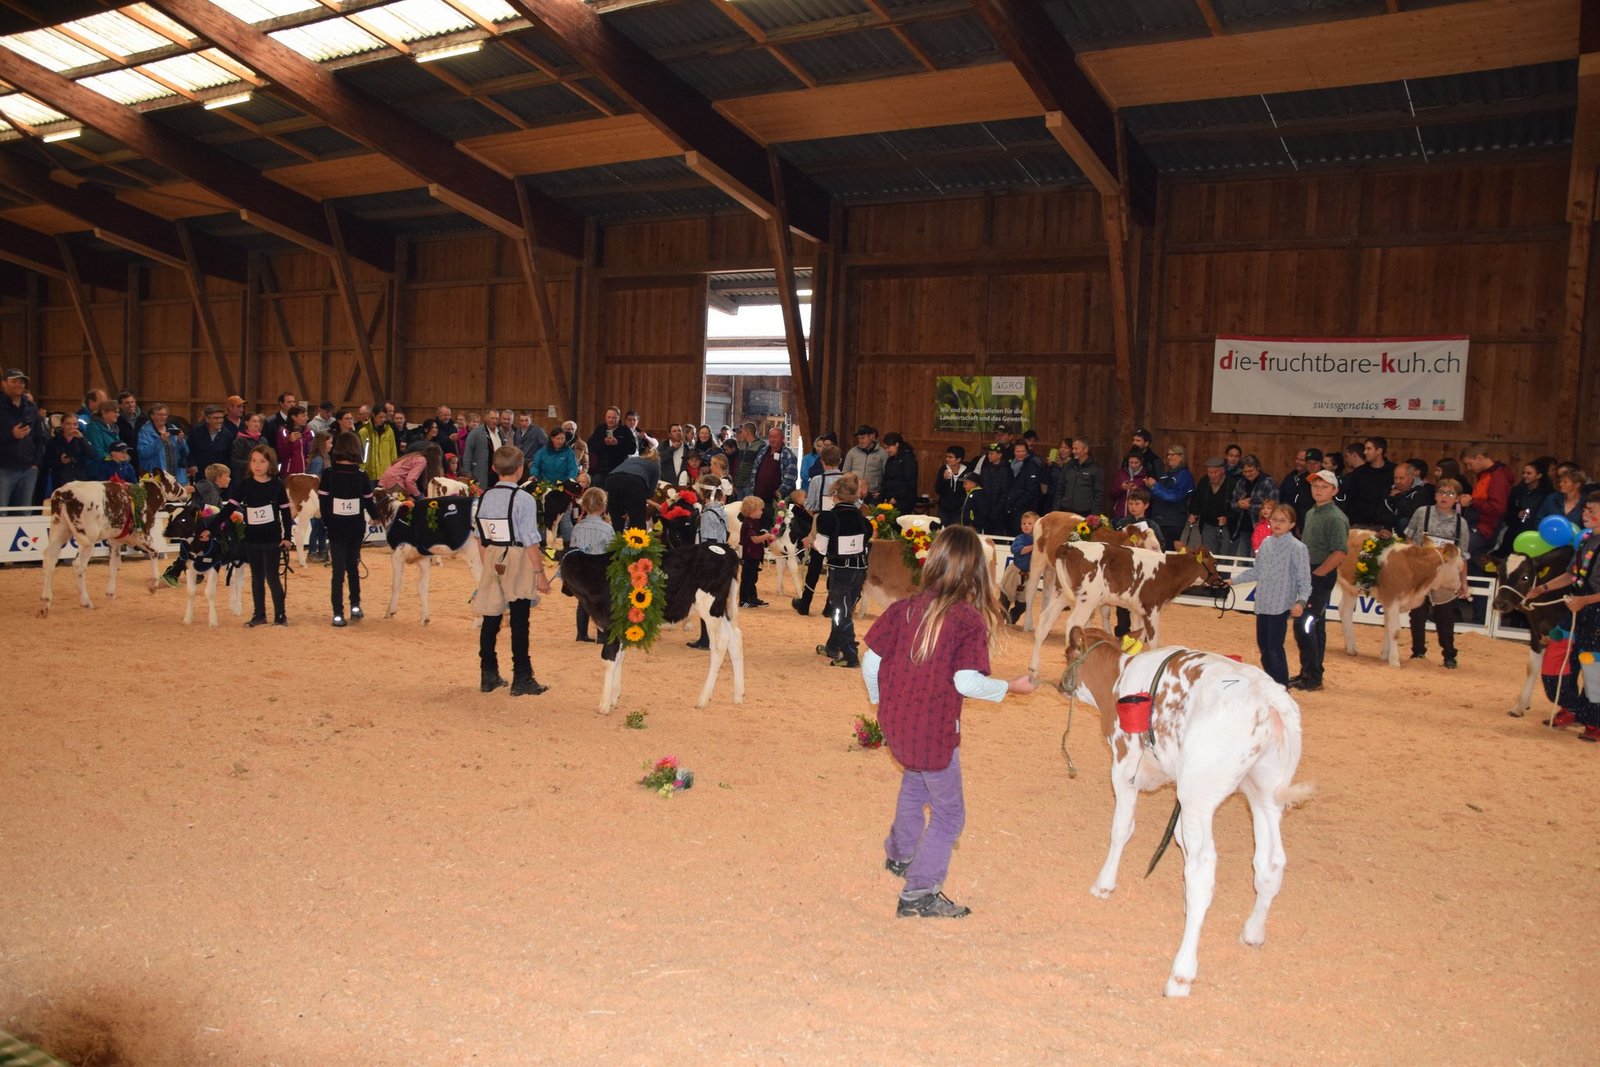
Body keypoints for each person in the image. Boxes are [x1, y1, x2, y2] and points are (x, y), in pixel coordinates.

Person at [862, 524, 1035, 919]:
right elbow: (965, 682)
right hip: (934, 731)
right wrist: (1010, 687)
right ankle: (919, 893)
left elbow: (871, 661)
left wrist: (879, 702)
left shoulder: (903, 608)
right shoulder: (967, 620)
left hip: (897, 724)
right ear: (976, 570)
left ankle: (900, 854)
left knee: (914, 781)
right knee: (949, 815)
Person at [474, 444, 552, 696]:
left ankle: (488, 674)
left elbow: (480, 537)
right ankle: (522, 677)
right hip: (518, 558)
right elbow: (530, 540)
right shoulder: (524, 499)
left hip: (492, 556)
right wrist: (540, 574)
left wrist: (488, 565)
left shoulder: (484, 497)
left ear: (494, 468)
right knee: (519, 620)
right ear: (520, 470)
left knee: (491, 616)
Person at [1524, 491, 1600, 742]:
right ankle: (1571, 707)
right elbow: (1572, 575)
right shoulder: (1586, 540)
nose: (1585, 514)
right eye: (1585, 509)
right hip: (1575, 609)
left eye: (1592, 511)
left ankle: (1594, 721)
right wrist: (1543, 588)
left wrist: (1585, 601)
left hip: (1595, 613)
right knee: (1556, 658)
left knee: (1593, 667)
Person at [1226, 503, 1312, 687]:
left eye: (1283, 521)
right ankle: (1271, 683)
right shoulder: (1265, 543)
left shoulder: (1298, 548)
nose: (1277, 524)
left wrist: (1301, 601)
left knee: (1274, 647)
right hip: (1263, 602)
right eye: (1274, 520)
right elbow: (1257, 571)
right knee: (1263, 646)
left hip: (1281, 603)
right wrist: (1233, 581)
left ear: (1291, 524)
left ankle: (1282, 685)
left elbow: (1305, 579)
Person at [1402, 478, 1473, 669]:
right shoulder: (1422, 513)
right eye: (1441, 492)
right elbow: (1409, 538)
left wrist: (1463, 582)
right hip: (1420, 570)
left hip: (1445, 574)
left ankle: (1449, 654)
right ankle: (1418, 651)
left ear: (1457, 498)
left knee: (1445, 616)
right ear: (1435, 495)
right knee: (1417, 613)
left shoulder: (1461, 524)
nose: (1445, 497)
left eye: (1450, 494)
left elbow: (1463, 555)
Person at [1290, 469, 1349, 693]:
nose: (1318, 490)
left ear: (1334, 491)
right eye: (1315, 485)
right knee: (1314, 624)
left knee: (1305, 624)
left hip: (1319, 574)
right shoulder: (1311, 513)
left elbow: (1340, 552)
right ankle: (1309, 672)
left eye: (1324, 486)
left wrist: (1317, 575)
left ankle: (1312, 676)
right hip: (1310, 571)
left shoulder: (1335, 517)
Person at [315, 431, 378, 627]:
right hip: (355, 528)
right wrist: (377, 516)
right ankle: (355, 605)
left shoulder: (328, 474)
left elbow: (323, 503)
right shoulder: (361, 475)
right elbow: (369, 502)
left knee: (338, 571)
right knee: (352, 567)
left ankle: (338, 612)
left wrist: (328, 523)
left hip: (336, 529)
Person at [226, 443, 293, 627]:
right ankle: (259, 615)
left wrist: (287, 537)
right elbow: (229, 508)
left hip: (272, 539)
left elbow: (286, 514)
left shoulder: (277, 485)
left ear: (270, 463)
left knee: (272, 577)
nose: (257, 465)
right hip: (252, 539)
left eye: (262, 461)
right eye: (254, 461)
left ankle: (280, 615)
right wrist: (211, 527)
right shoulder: (245, 485)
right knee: (256, 578)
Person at [811, 472, 872, 668]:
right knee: (845, 608)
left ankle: (850, 654)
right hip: (860, 570)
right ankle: (832, 646)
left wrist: (809, 542)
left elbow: (821, 548)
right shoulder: (863, 519)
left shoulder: (829, 518)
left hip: (840, 571)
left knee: (840, 611)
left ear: (835, 495)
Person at [793, 444, 845, 616]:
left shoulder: (817, 480)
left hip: (821, 525)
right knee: (835, 565)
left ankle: (805, 603)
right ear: (840, 461)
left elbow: (810, 506)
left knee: (815, 565)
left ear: (822, 461)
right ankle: (830, 606)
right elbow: (857, 503)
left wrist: (817, 515)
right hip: (840, 527)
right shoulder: (847, 479)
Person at [567, 486, 613, 643]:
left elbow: (572, 549)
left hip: (582, 571)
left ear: (584, 506)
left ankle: (581, 634)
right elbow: (612, 550)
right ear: (603, 507)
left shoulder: (577, 527)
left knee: (583, 601)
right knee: (601, 602)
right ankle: (602, 635)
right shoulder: (607, 528)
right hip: (599, 572)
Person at [0, 368, 44, 507]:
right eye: (14, 381)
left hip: (28, 469)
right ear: (4, 383)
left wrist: (36, 463)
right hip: (4, 469)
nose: (18, 385)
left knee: (24, 513)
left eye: (21, 382)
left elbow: (39, 436)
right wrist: (11, 435)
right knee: (2, 511)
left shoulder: (31, 407)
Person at [1460, 443, 1512, 559]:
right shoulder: (1485, 475)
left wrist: (1472, 502)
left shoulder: (1498, 477)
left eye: (1470, 464)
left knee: (1464, 556)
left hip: (1484, 530)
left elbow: (1498, 508)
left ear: (1479, 458)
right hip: (1476, 527)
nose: (1468, 468)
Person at [1500, 458, 1555, 554]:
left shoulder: (1548, 494)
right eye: (1523, 473)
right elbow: (1507, 512)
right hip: (1516, 531)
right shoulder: (1516, 491)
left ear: (1539, 475)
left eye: (1529, 473)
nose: (1525, 476)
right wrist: (1517, 514)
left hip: (1537, 534)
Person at [1342, 436, 1396, 529]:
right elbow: (1350, 498)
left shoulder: (1393, 471)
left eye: (1369, 449)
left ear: (1379, 451)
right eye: (1365, 449)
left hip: (1385, 525)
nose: (1365, 452)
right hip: (1359, 522)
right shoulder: (1359, 472)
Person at [605, 441, 660, 533]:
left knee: (616, 519)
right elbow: (650, 493)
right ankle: (636, 542)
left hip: (611, 480)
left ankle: (615, 540)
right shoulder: (655, 465)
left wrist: (627, 505)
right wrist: (632, 506)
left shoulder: (632, 460)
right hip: (634, 483)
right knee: (637, 522)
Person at [1229, 454, 1276, 555]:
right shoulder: (1240, 483)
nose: (1247, 474)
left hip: (1263, 528)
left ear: (1258, 468)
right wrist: (1239, 505)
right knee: (1243, 559)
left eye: (1250, 471)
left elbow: (1274, 507)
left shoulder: (1268, 482)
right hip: (1243, 527)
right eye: (1245, 471)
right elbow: (1232, 503)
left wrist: (1250, 507)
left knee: (1259, 557)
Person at [1149, 443, 1193, 548]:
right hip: (1159, 519)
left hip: (1173, 522)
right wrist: (1149, 487)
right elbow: (1157, 494)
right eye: (1168, 454)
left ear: (1182, 456)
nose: (1169, 457)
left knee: (1168, 552)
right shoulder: (1166, 474)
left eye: (1173, 454)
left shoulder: (1184, 476)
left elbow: (1174, 496)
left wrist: (1155, 486)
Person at [1190, 456, 1236, 556]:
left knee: (1225, 556)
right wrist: (1194, 513)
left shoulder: (1232, 483)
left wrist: (1228, 518)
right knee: (1209, 555)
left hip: (1226, 526)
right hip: (1208, 524)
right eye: (1210, 473)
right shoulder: (1204, 481)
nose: (1212, 475)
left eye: (1215, 472)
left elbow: (1236, 506)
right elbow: (1197, 500)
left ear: (1222, 471)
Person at [737, 494, 775, 608]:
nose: (762, 512)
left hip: (754, 555)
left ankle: (752, 598)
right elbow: (754, 539)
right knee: (747, 578)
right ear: (751, 511)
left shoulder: (754, 522)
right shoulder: (748, 523)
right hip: (748, 555)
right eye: (760, 510)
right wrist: (766, 536)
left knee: (753, 578)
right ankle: (743, 600)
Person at [999, 511, 1037, 625]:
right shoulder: (1020, 538)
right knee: (1005, 598)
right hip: (1014, 573)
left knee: (1023, 603)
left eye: (1030, 523)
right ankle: (1000, 618)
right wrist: (1033, 547)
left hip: (1028, 576)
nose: (1026, 525)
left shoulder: (1039, 540)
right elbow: (1016, 550)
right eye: (1024, 523)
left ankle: (1012, 616)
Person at [1052, 437, 1104, 518]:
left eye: (1076, 449)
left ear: (1085, 449)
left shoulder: (1096, 468)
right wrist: (1056, 509)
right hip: (1065, 511)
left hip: (1084, 513)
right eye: (1073, 448)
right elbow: (1060, 489)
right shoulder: (1068, 466)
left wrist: (1094, 514)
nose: (1073, 451)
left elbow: (1098, 494)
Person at [137, 404, 189, 483]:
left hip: (176, 475)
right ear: (152, 416)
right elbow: (143, 453)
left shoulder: (173, 429)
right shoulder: (145, 432)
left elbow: (185, 452)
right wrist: (160, 441)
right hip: (155, 475)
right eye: (159, 414)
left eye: (164, 415)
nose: (162, 417)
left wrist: (181, 442)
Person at [751, 424, 798, 509]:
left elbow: (791, 477)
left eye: (775, 437)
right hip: (759, 497)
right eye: (770, 437)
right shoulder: (763, 451)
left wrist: (780, 492)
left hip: (777, 500)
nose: (772, 439)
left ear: (782, 438)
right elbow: (754, 470)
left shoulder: (788, 455)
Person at [1004, 440, 1045, 534]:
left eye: (1023, 451)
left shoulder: (1032, 465)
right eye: (1018, 451)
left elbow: (1032, 489)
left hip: (1025, 508)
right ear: (1014, 452)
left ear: (1027, 452)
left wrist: (1018, 505)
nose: (1020, 454)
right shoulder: (1011, 465)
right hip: (1012, 507)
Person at [42, 415, 90, 493]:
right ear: (62, 424)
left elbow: (92, 455)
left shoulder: (81, 439)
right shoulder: (53, 441)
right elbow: (47, 462)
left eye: (75, 424)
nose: (72, 427)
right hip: (60, 480)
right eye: (68, 424)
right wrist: (61, 461)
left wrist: (82, 439)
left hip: (79, 479)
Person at [586, 406, 634, 483]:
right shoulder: (600, 429)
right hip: (601, 470)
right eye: (609, 417)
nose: (611, 420)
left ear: (618, 418)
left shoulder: (625, 430)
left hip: (619, 470)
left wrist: (618, 443)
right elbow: (590, 446)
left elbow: (632, 449)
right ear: (605, 417)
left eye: (613, 418)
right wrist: (603, 442)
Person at [377, 444, 443, 499]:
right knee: (409, 505)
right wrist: (419, 495)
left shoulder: (415, 456)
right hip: (395, 483)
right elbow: (410, 481)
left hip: (386, 481)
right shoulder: (422, 460)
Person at [1384, 458, 1432, 534]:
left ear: (1411, 478)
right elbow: (1382, 511)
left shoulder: (1421, 492)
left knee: (1404, 521)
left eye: (1401, 478)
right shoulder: (1391, 490)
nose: (1398, 481)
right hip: (1389, 529)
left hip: (1409, 532)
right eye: (1396, 478)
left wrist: (1398, 497)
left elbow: (1412, 513)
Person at [876, 431, 920, 511]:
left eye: (888, 447)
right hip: (889, 497)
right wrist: (882, 493)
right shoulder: (890, 459)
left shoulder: (908, 459)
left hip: (903, 499)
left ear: (896, 444)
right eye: (885, 448)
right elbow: (886, 478)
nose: (886, 450)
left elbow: (910, 482)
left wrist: (897, 497)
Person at [843, 425, 886, 499]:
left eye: (863, 438)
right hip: (854, 493)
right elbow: (845, 472)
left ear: (871, 436)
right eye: (859, 438)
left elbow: (887, 474)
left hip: (873, 494)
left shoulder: (882, 453)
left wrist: (882, 491)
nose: (860, 441)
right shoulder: (852, 452)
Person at [933, 446, 967, 528]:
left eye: (950, 457)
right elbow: (938, 489)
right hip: (944, 509)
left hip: (959, 510)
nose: (947, 459)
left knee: (956, 532)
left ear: (958, 459)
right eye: (947, 456)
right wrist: (944, 479)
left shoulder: (966, 471)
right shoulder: (944, 469)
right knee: (941, 531)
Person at [274, 405, 311, 479]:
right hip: (289, 471)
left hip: (306, 471)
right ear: (294, 417)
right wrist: (289, 442)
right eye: (303, 416)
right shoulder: (284, 432)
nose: (307, 418)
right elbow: (281, 454)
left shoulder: (308, 432)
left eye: (306, 415)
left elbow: (310, 451)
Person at [229, 412, 264, 488]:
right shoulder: (240, 440)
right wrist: (252, 464)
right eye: (254, 421)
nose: (257, 424)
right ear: (247, 422)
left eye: (258, 421)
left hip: (260, 476)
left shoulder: (263, 440)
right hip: (244, 476)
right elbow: (234, 460)